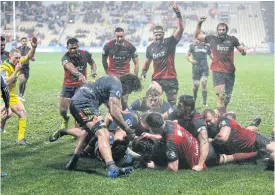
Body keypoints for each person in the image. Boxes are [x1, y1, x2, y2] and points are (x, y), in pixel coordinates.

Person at [64, 74, 142, 178]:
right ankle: (112, 169)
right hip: (85, 103)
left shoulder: (110, 79)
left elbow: (111, 107)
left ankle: (73, 162)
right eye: (131, 89)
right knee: (103, 133)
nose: (129, 92)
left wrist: (120, 111)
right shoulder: (117, 85)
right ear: (127, 84)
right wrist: (128, 129)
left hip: (77, 102)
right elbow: (114, 112)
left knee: (87, 131)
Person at [194, 16, 247, 116]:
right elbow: (197, 36)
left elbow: (241, 49)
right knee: (220, 96)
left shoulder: (233, 39)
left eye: (223, 29)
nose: (221, 31)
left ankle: (220, 113)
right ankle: (223, 118)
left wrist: (243, 51)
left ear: (226, 30)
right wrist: (200, 23)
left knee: (227, 97)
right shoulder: (211, 38)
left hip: (230, 72)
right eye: (220, 29)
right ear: (217, 31)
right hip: (217, 71)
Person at [141, 2, 184, 106]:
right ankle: (153, 120)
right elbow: (147, 61)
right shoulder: (150, 47)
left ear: (163, 34)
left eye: (160, 34)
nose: (158, 36)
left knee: (172, 104)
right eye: (156, 34)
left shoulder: (170, 42)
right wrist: (143, 72)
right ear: (153, 35)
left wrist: (178, 14)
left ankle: (171, 121)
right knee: (152, 100)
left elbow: (181, 29)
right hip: (157, 79)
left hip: (170, 78)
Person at [202, 109, 274, 170]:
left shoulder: (224, 120)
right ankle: (251, 126)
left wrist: (212, 141)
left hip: (254, 140)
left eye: (209, 120)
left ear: (216, 116)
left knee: (249, 132)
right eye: (205, 121)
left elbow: (223, 137)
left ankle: (253, 126)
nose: (207, 123)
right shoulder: (207, 127)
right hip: (238, 147)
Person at [0, 37, 37, 145]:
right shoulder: (3, 67)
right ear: (10, 57)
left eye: (19, 58)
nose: (18, 60)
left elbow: (29, 56)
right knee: (8, 114)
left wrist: (34, 47)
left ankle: (20, 139)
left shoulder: (18, 61)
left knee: (22, 112)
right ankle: (1, 125)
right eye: (16, 58)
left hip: (11, 95)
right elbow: (5, 83)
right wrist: (16, 70)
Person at [163, 94, 209, 171]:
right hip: (181, 142)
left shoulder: (197, 120)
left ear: (188, 108)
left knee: (210, 158)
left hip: (195, 147)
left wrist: (200, 165)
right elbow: (160, 118)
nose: (178, 107)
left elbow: (204, 142)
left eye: (180, 105)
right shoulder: (176, 110)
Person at [60, 38, 97, 129]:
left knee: (78, 109)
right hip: (68, 85)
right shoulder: (65, 57)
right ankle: (65, 119)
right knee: (63, 110)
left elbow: (92, 63)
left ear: (78, 46)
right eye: (70, 49)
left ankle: (77, 128)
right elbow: (70, 67)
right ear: (67, 48)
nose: (72, 50)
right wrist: (79, 74)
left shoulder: (85, 54)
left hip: (81, 86)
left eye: (75, 48)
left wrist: (94, 71)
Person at [102, 27, 139, 110]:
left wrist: (135, 77)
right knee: (112, 99)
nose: (119, 38)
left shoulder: (130, 47)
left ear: (124, 35)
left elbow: (136, 63)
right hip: (112, 76)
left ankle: (124, 117)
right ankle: (112, 117)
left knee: (124, 100)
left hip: (125, 76)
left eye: (121, 36)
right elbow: (104, 61)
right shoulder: (108, 46)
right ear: (114, 36)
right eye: (117, 36)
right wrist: (107, 73)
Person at [185, 32, 212, 107]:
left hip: (204, 67)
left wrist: (216, 62)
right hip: (196, 68)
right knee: (196, 85)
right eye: (200, 34)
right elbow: (187, 55)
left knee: (204, 83)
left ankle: (204, 103)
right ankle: (194, 100)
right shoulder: (193, 45)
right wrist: (191, 60)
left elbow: (211, 56)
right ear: (197, 36)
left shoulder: (207, 46)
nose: (203, 35)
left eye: (203, 34)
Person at [17, 37, 36, 101]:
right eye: (23, 41)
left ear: (27, 42)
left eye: (25, 41)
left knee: (24, 82)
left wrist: (32, 58)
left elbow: (34, 58)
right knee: (22, 80)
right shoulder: (17, 49)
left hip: (26, 67)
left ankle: (22, 95)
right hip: (20, 66)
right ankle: (19, 94)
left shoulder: (29, 49)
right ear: (21, 42)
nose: (24, 42)